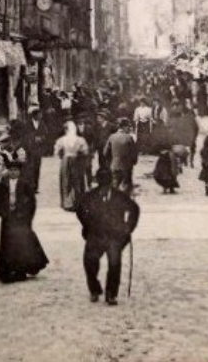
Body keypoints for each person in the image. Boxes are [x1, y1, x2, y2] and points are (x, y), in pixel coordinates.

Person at [76, 168, 140, 306]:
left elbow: (134, 209)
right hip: (95, 235)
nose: (104, 187)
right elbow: (79, 209)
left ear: (110, 182)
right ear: (98, 182)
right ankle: (94, 289)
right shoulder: (90, 196)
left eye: (106, 183)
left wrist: (128, 227)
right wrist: (87, 224)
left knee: (114, 264)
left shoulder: (120, 196)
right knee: (90, 262)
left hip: (114, 236)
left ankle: (111, 294)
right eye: (102, 183)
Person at [0, 158, 49, 284]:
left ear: (19, 171)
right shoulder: (3, 184)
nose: (13, 172)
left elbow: (31, 202)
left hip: (21, 219)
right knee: (7, 245)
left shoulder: (25, 184)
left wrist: (27, 217)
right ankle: (7, 271)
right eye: (11, 170)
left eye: (16, 170)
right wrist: (3, 213)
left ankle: (20, 270)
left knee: (21, 245)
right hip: (8, 218)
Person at [54, 120, 89, 211]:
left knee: (66, 180)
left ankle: (67, 203)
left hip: (65, 160)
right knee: (77, 181)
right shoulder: (80, 140)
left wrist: (62, 155)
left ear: (66, 130)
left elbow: (56, 151)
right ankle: (77, 201)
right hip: (76, 160)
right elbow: (85, 151)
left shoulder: (61, 140)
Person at [104, 118, 138, 194]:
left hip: (114, 165)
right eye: (128, 126)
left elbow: (105, 153)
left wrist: (111, 160)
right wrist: (133, 162)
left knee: (115, 185)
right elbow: (134, 153)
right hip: (126, 166)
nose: (129, 128)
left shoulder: (111, 137)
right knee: (126, 186)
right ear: (124, 127)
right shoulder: (129, 137)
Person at [23, 105, 47, 193]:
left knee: (37, 168)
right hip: (30, 150)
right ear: (34, 115)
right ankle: (30, 186)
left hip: (38, 150)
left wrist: (41, 138)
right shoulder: (27, 124)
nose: (41, 116)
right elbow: (25, 136)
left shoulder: (42, 124)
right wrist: (33, 138)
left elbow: (45, 134)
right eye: (39, 114)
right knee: (30, 168)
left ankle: (35, 187)